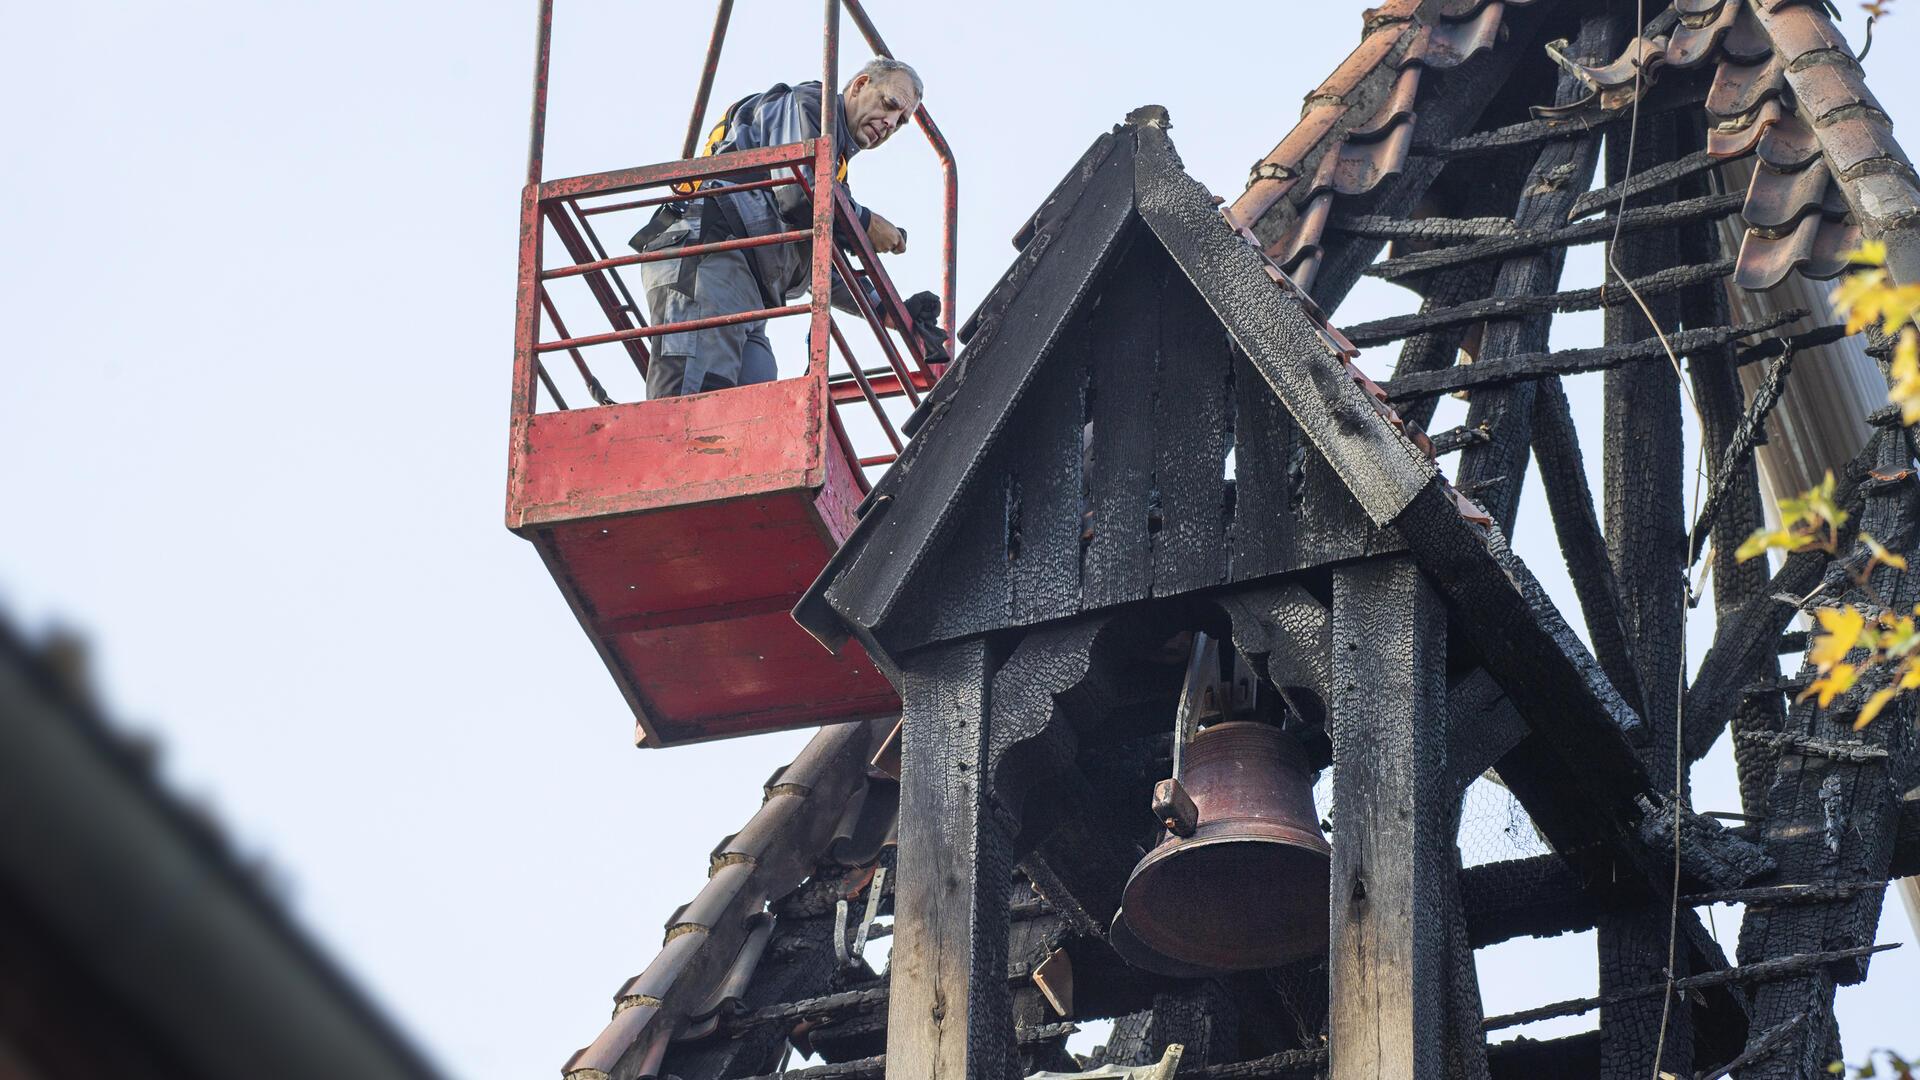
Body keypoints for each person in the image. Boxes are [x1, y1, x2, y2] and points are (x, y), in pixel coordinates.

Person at [632, 58, 930, 399]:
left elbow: (819, 258)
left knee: (752, 406)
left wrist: (886, 309)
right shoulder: (807, 106)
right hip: (707, 258)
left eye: (901, 121)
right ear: (860, 85)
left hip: (747, 290)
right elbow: (797, 195)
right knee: (693, 401)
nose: (890, 123)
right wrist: (865, 222)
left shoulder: (833, 169)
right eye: (889, 104)